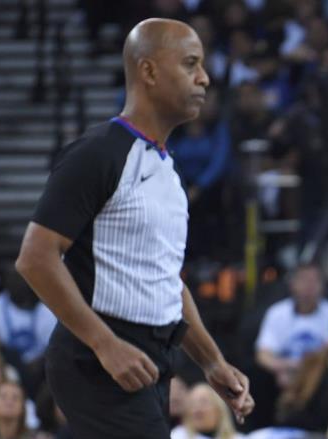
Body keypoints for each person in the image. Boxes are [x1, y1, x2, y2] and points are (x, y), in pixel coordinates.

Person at [15, 19, 254, 439]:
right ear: (148, 71)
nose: (204, 78)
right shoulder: (98, 153)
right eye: (191, 64)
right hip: (98, 360)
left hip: (153, 358)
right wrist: (104, 343)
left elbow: (165, 280)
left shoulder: (167, 171)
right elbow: (35, 258)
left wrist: (212, 361)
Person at [170, 383, 244, 439]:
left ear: (218, 408)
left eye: (203, 402)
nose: (197, 408)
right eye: (192, 403)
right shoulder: (177, 435)